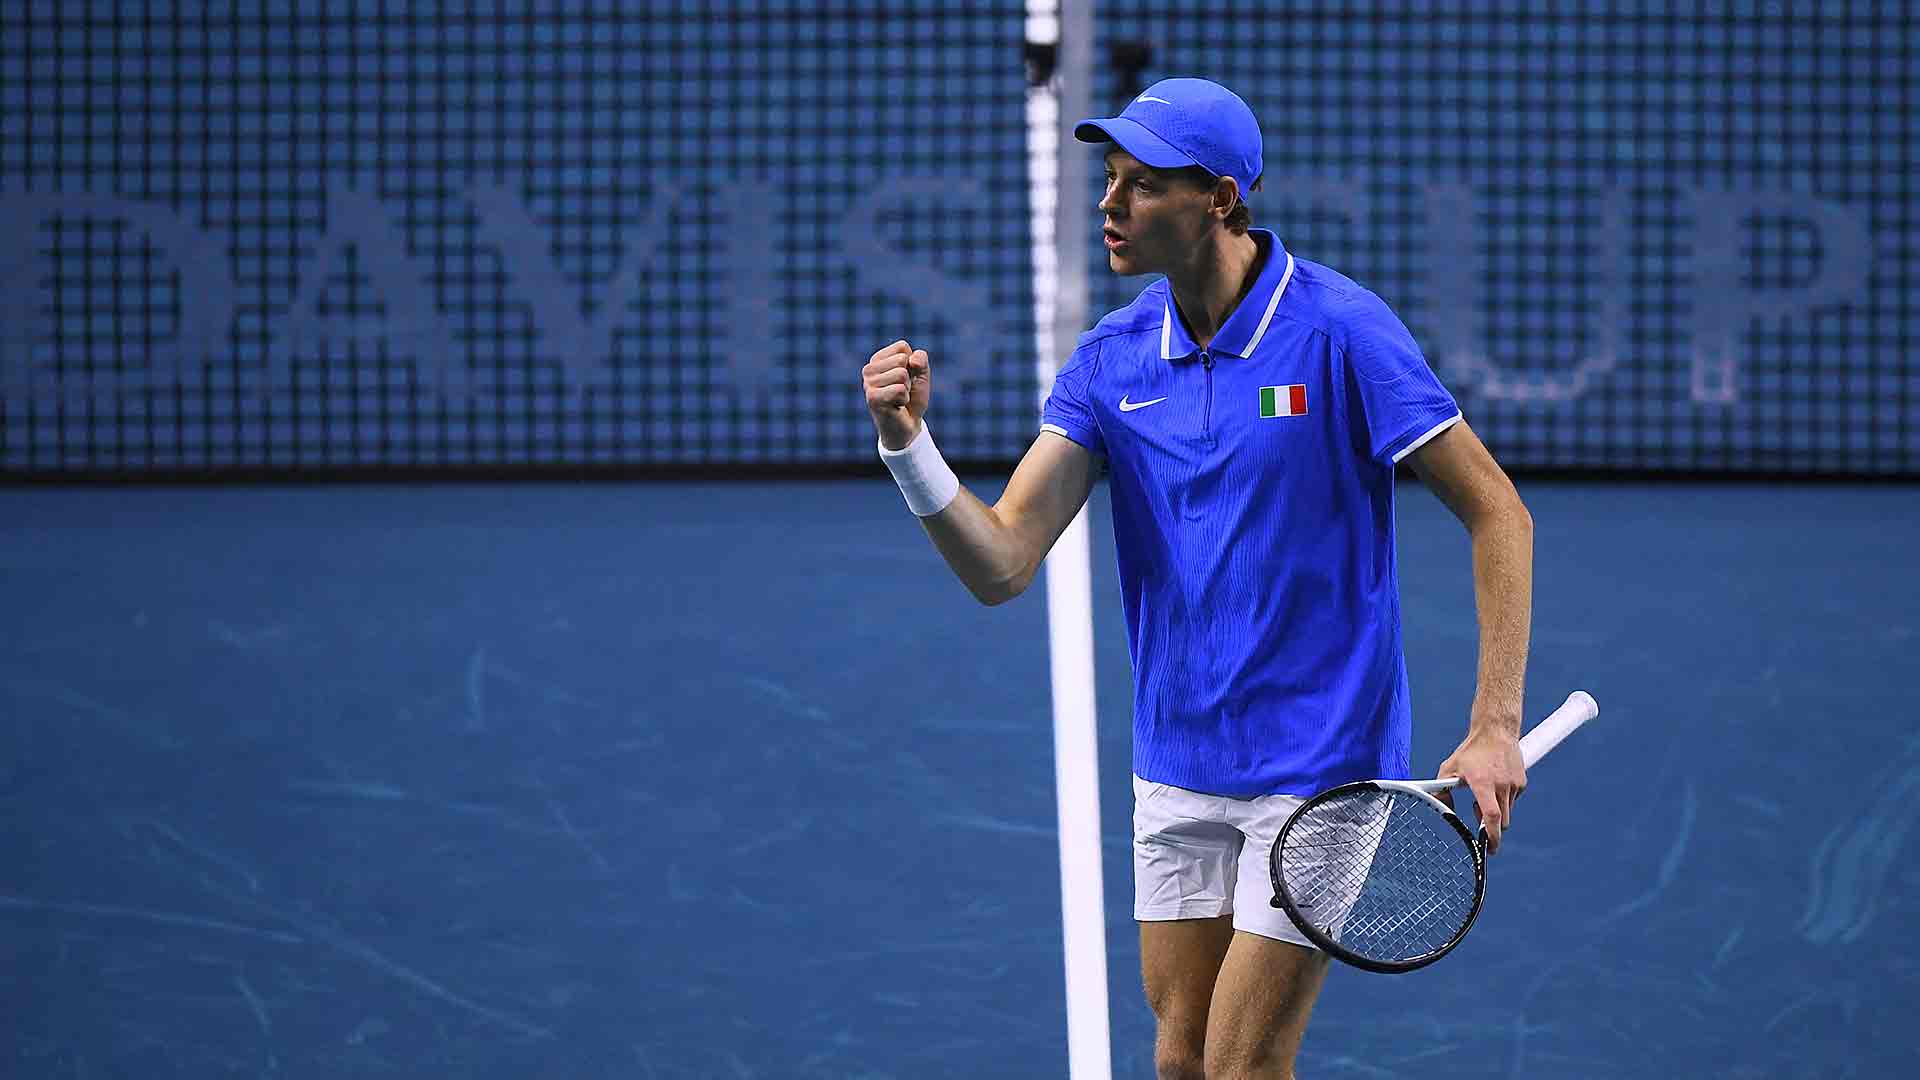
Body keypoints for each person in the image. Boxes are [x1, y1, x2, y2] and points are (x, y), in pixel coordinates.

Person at [860, 77, 1533, 1080]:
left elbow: (1497, 512)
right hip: (1178, 761)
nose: (1110, 205)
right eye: (1109, 179)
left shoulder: (1341, 332)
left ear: (1219, 199)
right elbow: (1002, 563)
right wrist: (906, 445)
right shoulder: (1112, 359)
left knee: (1242, 1065)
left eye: (1140, 185)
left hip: (1322, 769)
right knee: (1181, 1061)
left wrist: (1493, 722)